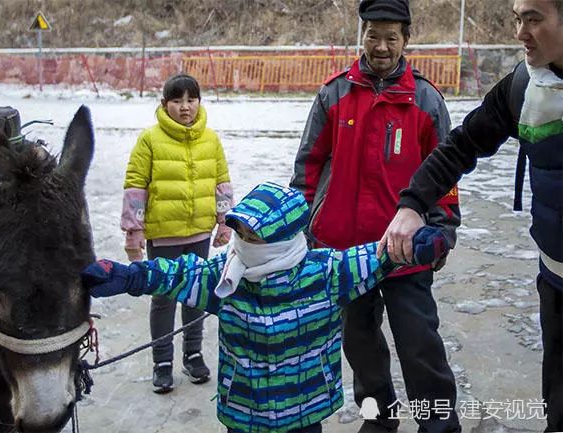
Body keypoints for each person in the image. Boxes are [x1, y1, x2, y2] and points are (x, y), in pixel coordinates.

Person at [82, 182, 449, 433]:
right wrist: (128, 276)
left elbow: (376, 256)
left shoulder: (327, 273)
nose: (243, 243)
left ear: (284, 238)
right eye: (240, 233)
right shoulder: (225, 275)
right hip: (244, 412)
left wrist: (419, 245)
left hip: (306, 407)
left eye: (253, 237)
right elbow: (176, 274)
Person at [379, 1, 563, 431]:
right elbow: (461, 145)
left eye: (533, 18)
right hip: (556, 278)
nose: (520, 31)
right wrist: (412, 204)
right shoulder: (524, 86)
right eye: (517, 18)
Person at [289, 1, 462, 432]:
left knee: (419, 345)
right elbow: (308, 165)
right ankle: (379, 419)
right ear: (361, 35)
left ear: (406, 40)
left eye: (391, 37)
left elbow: (445, 173)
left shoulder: (425, 99)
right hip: (344, 252)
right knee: (360, 346)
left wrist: (442, 228)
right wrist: (296, 229)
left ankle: (439, 423)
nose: (381, 46)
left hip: (404, 252)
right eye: (373, 35)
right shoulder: (333, 94)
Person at [121, 73, 234, 393]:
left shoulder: (210, 139)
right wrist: (134, 232)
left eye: (191, 99)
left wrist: (225, 222)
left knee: (197, 295)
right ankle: (162, 361)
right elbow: (135, 188)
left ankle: (193, 354)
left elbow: (222, 184)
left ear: (199, 102)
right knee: (165, 297)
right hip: (164, 235)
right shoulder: (150, 140)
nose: (185, 107)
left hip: (198, 233)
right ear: (164, 104)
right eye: (177, 100)